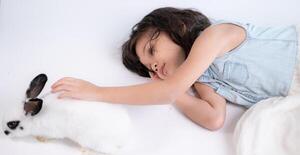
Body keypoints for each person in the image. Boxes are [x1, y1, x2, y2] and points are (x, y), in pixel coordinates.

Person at [51, 7, 299, 131]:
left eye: (151, 50)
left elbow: (168, 92)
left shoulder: (215, 35)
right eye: (150, 68)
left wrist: (97, 92)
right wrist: (168, 87)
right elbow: (214, 118)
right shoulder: (204, 77)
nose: (155, 66)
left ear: (177, 26)